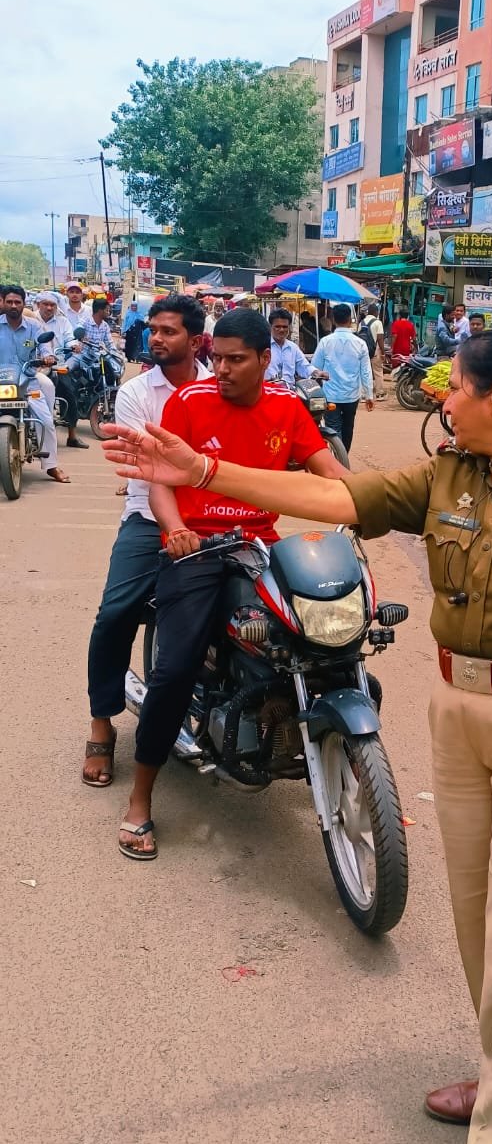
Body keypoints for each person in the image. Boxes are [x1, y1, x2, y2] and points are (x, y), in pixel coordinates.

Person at [104, 329, 492, 1144]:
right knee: (479, 920)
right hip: (462, 710)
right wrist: (202, 471)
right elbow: (331, 495)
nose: (442, 399)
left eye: (456, 387)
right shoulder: (449, 477)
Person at [109, 308, 345, 858]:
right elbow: (160, 480)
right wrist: (175, 530)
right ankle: (140, 798)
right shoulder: (188, 401)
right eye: (216, 358)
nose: (222, 370)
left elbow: (329, 473)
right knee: (175, 667)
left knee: (317, 637)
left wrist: (365, 503)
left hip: (260, 546)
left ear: (265, 358)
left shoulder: (287, 406)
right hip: (197, 545)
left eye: (236, 360)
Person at [83, 296, 211, 788]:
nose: (156, 338)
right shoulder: (136, 392)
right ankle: (101, 721)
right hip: (147, 517)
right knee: (115, 614)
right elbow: (153, 464)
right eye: (154, 329)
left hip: (211, 517)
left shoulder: (216, 386)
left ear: (195, 341)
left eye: (168, 331)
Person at [0, 284, 69, 482]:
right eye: (9, 302)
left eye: (17, 302)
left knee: (45, 420)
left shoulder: (34, 327)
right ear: (3, 303)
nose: (13, 305)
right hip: (2, 382)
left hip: (27, 381)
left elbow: (45, 347)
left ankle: (51, 466)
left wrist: (48, 357)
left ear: (24, 304)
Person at [310, 303, 374, 452]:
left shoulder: (325, 342)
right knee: (348, 428)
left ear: (333, 320)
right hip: (352, 396)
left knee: (333, 428)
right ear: (350, 320)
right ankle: (343, 456)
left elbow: (315, 368)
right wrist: (369, 395)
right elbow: (366, 371)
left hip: (331, 395)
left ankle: (338, 457)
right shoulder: (360, 343)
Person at [34, 292, 88, 449]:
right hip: (34, 366)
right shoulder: (31, 319)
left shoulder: (62, 321)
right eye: (45, 304)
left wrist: (74, 345)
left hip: (57, 365)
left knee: (70, 394)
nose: (49, 308)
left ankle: (72, 436)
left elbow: (70, 338)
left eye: (52, 305)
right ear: (38, 305)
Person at [265, 307, 311, 389]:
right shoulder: (263, 346)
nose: (281, 330)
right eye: (277, 327)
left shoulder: (293, 347)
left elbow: (304, 366)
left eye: (285, 327)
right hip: (269, 391)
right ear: (270, 326)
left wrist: (316, 372)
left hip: (289, 392)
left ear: (289, 327)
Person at [360, 303, 386, 399]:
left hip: (363, 351)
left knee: (364, 372)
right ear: (376, 312)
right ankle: (379, 393)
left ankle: (363, 395)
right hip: (374, 351)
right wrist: (383, 353)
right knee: (378, 371)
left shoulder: (362, 322)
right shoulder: (378, 322)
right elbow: (380, 339)